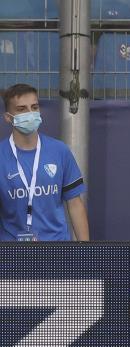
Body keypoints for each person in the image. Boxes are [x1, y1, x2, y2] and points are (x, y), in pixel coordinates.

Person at [0, 83, 89, 241]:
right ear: (8, 117)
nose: (30, 113)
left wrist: (86, 250)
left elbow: (75, 204)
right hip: (12, 250)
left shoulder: (60, 151)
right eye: (21, 109)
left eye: (34, 107)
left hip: (57, 247)